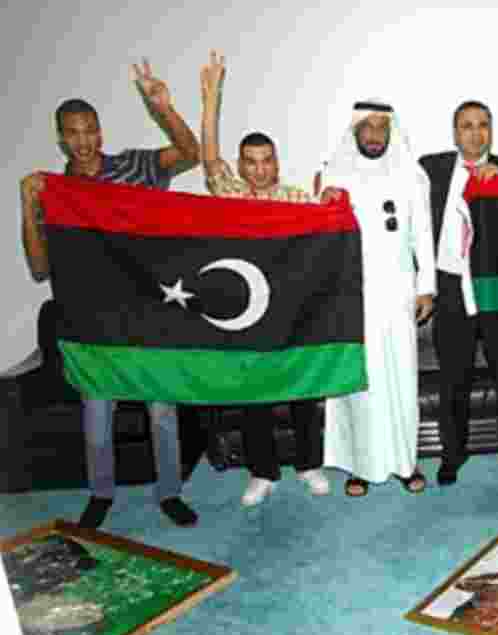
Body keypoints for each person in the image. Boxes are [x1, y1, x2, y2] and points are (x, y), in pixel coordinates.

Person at [19, 60, 201, 528]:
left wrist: (165, 108)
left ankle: (170, 493)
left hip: (146, 312)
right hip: (90, 320)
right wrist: (27, 205)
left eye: (90, 131)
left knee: (162, 407)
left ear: (101, 132)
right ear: (62, 138)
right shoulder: (53, 192)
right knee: (96, 411)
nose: (83, 141)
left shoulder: (135, 167)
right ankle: (101, 493)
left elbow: (189, 153)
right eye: (72, 133)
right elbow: (40, 269)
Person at [199, 51, 329, 505]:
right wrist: (211, 98)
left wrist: (329, 195)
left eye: (266, 161)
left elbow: (328, 232)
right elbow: (208, 155)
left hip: (291, 312)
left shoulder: (295, 197)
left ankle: (309, 464)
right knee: (255, 395)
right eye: (250, 161)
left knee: (302, 391)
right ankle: (262, 472)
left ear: (277, 163)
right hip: (247, 312)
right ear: (241, 165)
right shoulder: (231, 195)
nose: (258, 169)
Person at [319, 100, 436, 496]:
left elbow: (423, 233)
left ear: (390, 131)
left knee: (401, 377)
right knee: (359, 380)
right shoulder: (335, 173)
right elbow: (322, 235)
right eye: (366, 128)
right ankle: (359, 464)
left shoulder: (410, 173)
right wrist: (323, 202)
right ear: (355, 131)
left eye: (380, 128)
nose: (373, 135)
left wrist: (427, 286)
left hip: (399, 289)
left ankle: (405, 461)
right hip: (351, 291)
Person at [419, 100, 498, 485]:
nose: (475, 133)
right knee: (454, 377)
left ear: (491, 131)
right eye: (467, 126)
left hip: (496, 286)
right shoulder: (430, 169)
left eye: (483, 125)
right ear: (455, 133)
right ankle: (452, 454)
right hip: (451, 286)